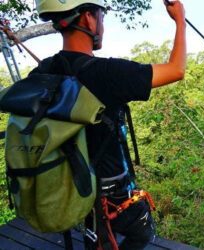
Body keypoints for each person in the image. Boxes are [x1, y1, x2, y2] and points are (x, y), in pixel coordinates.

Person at [32, 0, 186, 249]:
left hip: (70, 187)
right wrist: (179, 20)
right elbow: (176, 69)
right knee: (143, 231)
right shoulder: (109, 72)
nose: (102, 24)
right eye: (101, 16)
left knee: (97, 236)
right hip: (111, 193)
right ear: (89, 19)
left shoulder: (43, 71)